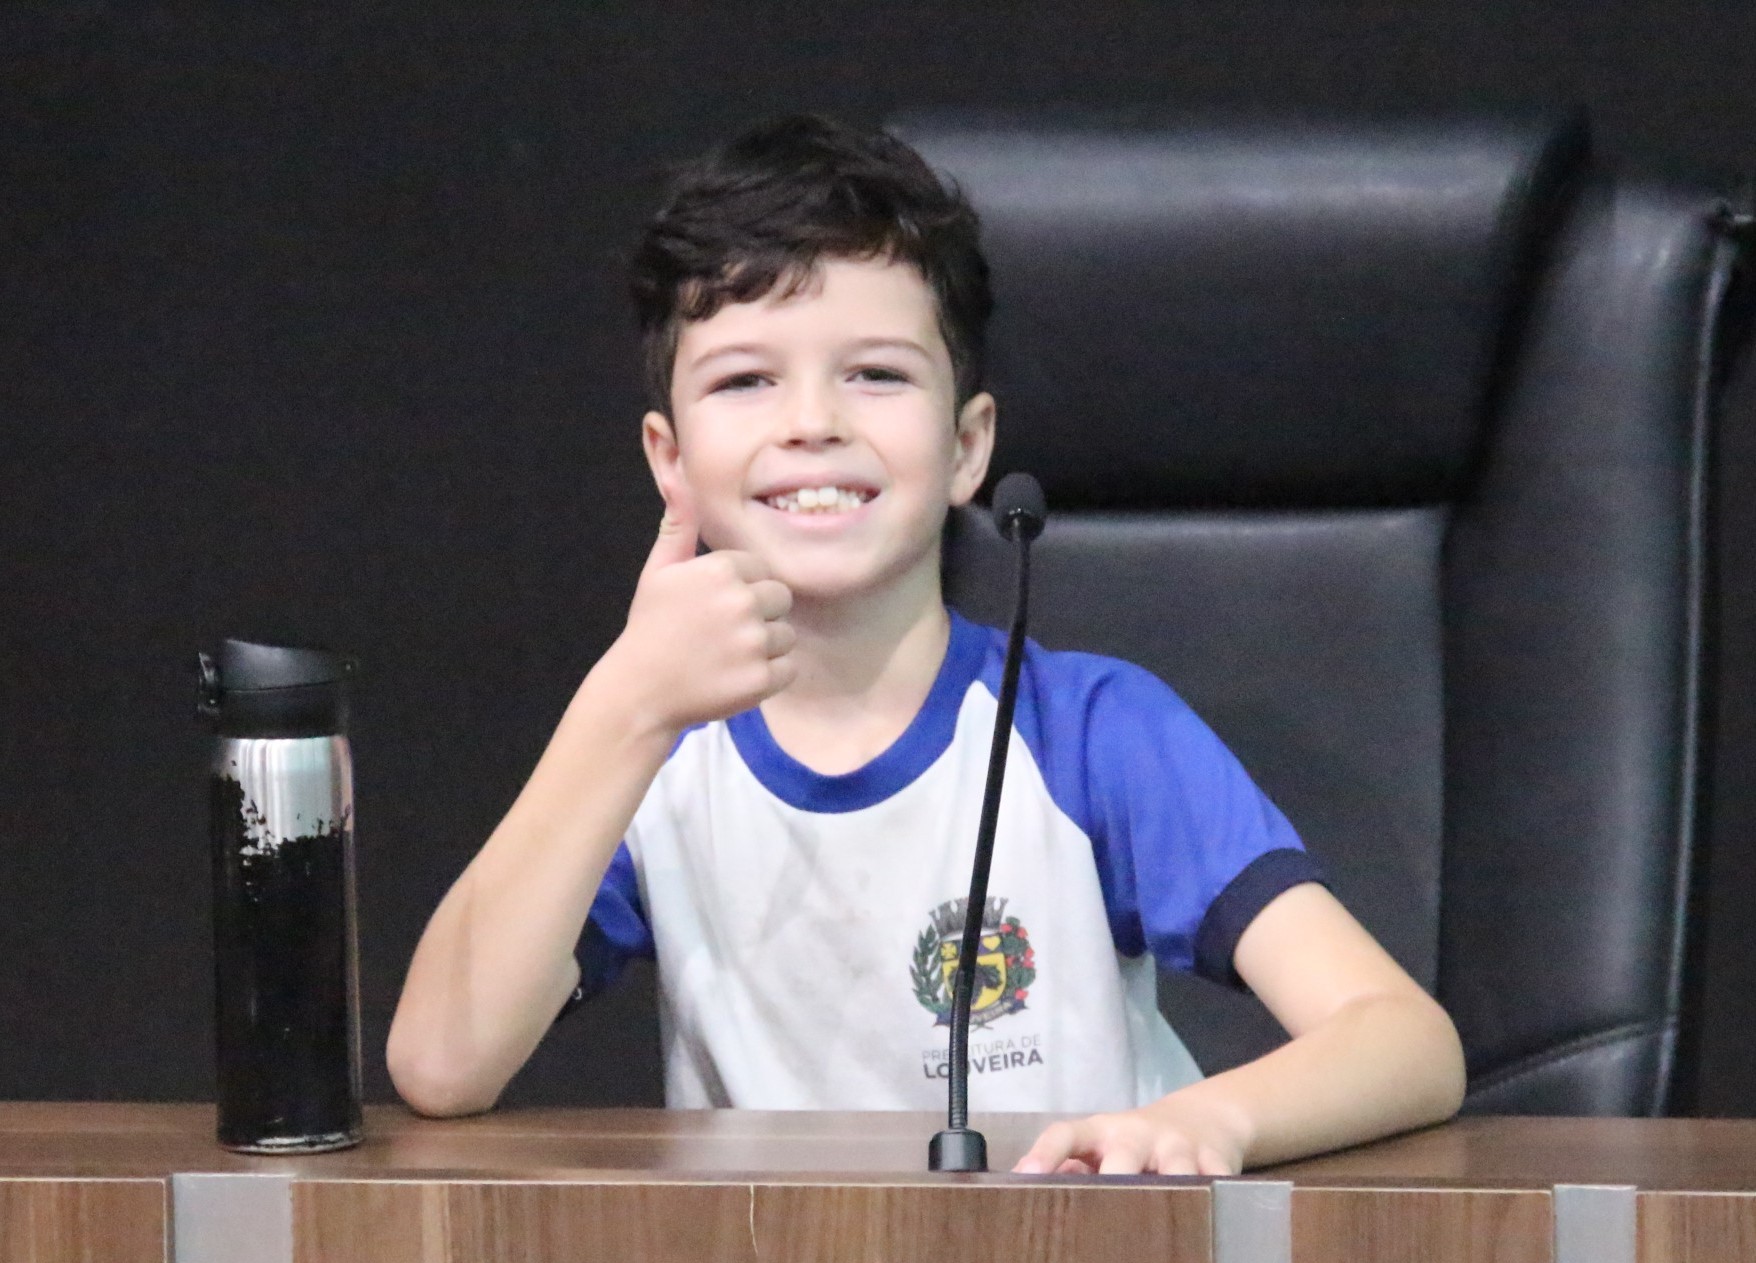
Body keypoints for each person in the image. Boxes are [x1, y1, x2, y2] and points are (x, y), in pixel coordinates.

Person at [386, 113, 1465, 1175]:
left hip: (1076, 1256)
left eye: (876, 374)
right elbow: (440, 1064)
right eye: (745, 380)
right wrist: (622, 706)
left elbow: (1404, 1041)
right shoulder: (649, 757)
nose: (812, 422)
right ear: (670, 459)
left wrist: (1210, 1121)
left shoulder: (1093, 734)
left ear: (966, 447)